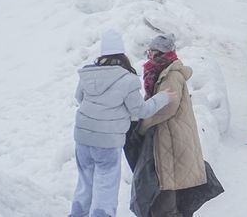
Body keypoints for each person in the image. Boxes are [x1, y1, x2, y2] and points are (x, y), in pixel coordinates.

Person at [69, 29, 174, 217]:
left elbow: (79, 98)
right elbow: (140, 110)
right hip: (108, 142)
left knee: (85, 182)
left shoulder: (88, 73)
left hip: (83, 137)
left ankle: (77, 214)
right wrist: (163, 98)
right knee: (105, 185)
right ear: (122, 53)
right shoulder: (128, 80)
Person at [135, 34, 207, 216]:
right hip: (169, 135)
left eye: (151, 51)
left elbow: (168, 108)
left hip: (173, 136)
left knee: (167, 185)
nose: (148, 54)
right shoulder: (161, 72)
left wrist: (143, 125)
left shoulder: (171, 75)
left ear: (160, 53)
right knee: (168, 183)